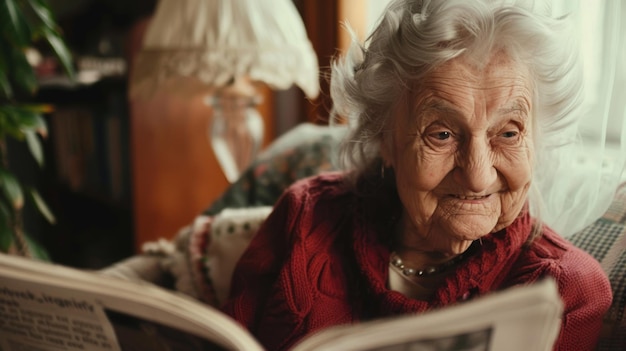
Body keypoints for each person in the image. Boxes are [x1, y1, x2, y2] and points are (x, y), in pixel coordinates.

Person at [221, 0, 612, 350]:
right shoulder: (305, 218)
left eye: (508, 132)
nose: (477, 176)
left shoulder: (566, 290)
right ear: (385, 141)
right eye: (441, 134)